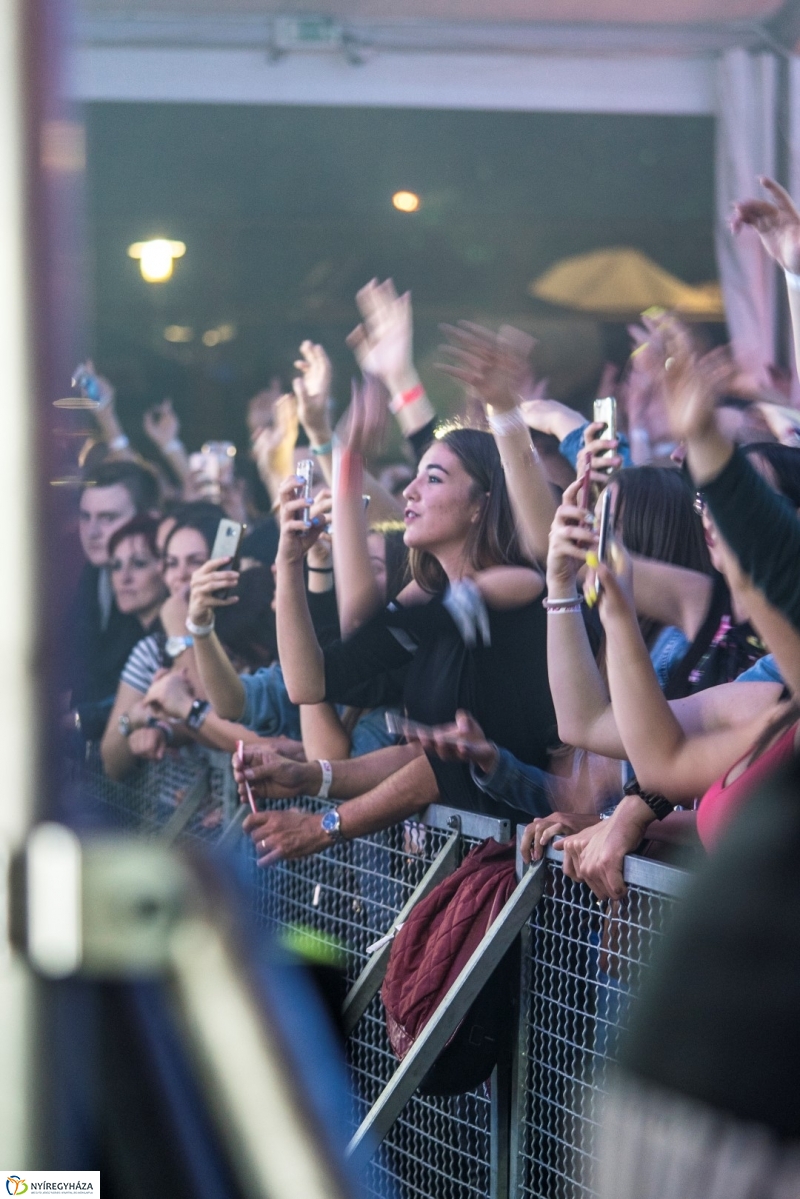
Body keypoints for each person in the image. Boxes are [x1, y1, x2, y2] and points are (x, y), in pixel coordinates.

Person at [237, 417, 557, 866]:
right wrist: (289, 561)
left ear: (481, 504)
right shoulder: (431, 599)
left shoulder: (516, 587)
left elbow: (440, 772)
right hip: (469, 861)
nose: (409, 491)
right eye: (416, 475)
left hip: (532, 873)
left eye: (433, 478)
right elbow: (311, 683)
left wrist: (324, 826)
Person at [66, 459, 161, 740]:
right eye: (86, 517)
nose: (93, 532)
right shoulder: (92, 576)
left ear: (149, 520)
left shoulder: (165, 584)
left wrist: (79, 717)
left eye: (108, 518)